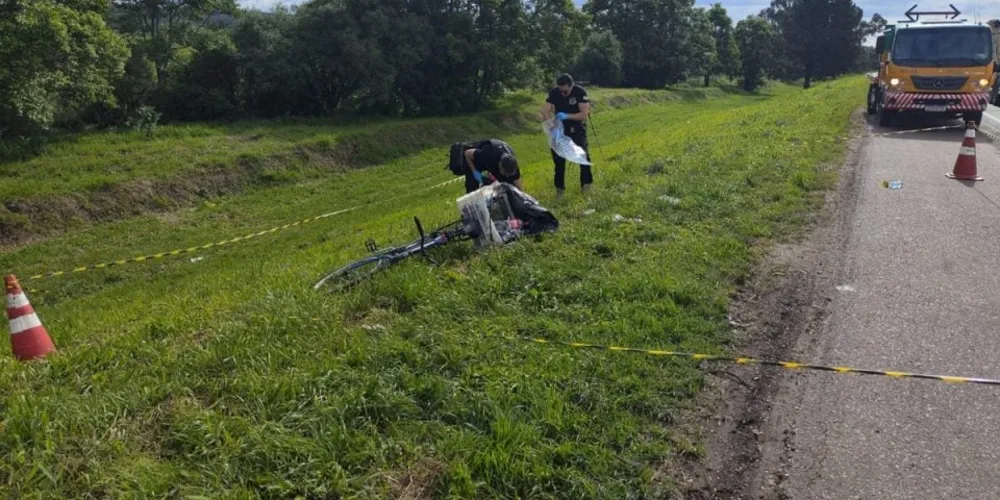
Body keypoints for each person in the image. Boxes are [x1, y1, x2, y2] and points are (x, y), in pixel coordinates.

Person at [541, 73, 592, 195]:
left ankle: (586, 187)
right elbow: (546, 111)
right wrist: (551, 126)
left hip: (576, 127)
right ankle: (560, 190)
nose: (562, 93)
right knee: (559, 160)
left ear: (571, 85)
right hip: (559, 129)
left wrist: (567, 116)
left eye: (565, 91)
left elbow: (583, 114)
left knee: (583, 157)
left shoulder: (580, 92)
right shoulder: (554, 92)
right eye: (560, 91)